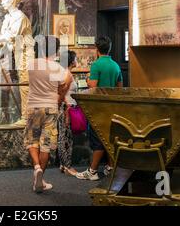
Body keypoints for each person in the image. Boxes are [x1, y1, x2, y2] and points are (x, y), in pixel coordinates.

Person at [76, 36, 123, 180]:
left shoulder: (96, 65)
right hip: (112, 108)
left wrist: (89, 78)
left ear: (97, 49)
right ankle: (110, 167)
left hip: (98, 108)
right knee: (109, 138)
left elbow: (93, 86)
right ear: (109, 48)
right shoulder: (115, 65)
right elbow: (120, 88)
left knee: (97, 140)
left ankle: (93, 171)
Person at [0, 0, 35, 127]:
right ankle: (26, 117)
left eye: (4, 0)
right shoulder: (8, 18)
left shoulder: (19, 16)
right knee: (22, 84)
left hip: (26, 53)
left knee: (25, 85)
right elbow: (5, 39)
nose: (2, 2)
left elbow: (12, 35)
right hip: (17, 52)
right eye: (1, 0)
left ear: (12, 0)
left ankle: (27, 118)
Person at [26, 36, 67, 193]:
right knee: (46, 144)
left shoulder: (31, 65)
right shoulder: (59, 68)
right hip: (50, 108)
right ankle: (40, 180)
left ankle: (37, 168)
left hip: (33, 106)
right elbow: (61, 89)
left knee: (32, 140)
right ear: (56, 50)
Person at [57, 50, 79, 176]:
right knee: (66, 138)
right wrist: (66, 110)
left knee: (64, 136)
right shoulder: (66, 74)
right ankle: (67, 166)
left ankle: (63, 164)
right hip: (67, 108)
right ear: (71, 61)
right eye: (76, 58)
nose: (77, 60)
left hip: (66, 107)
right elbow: (61, 93)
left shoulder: (64, 73)